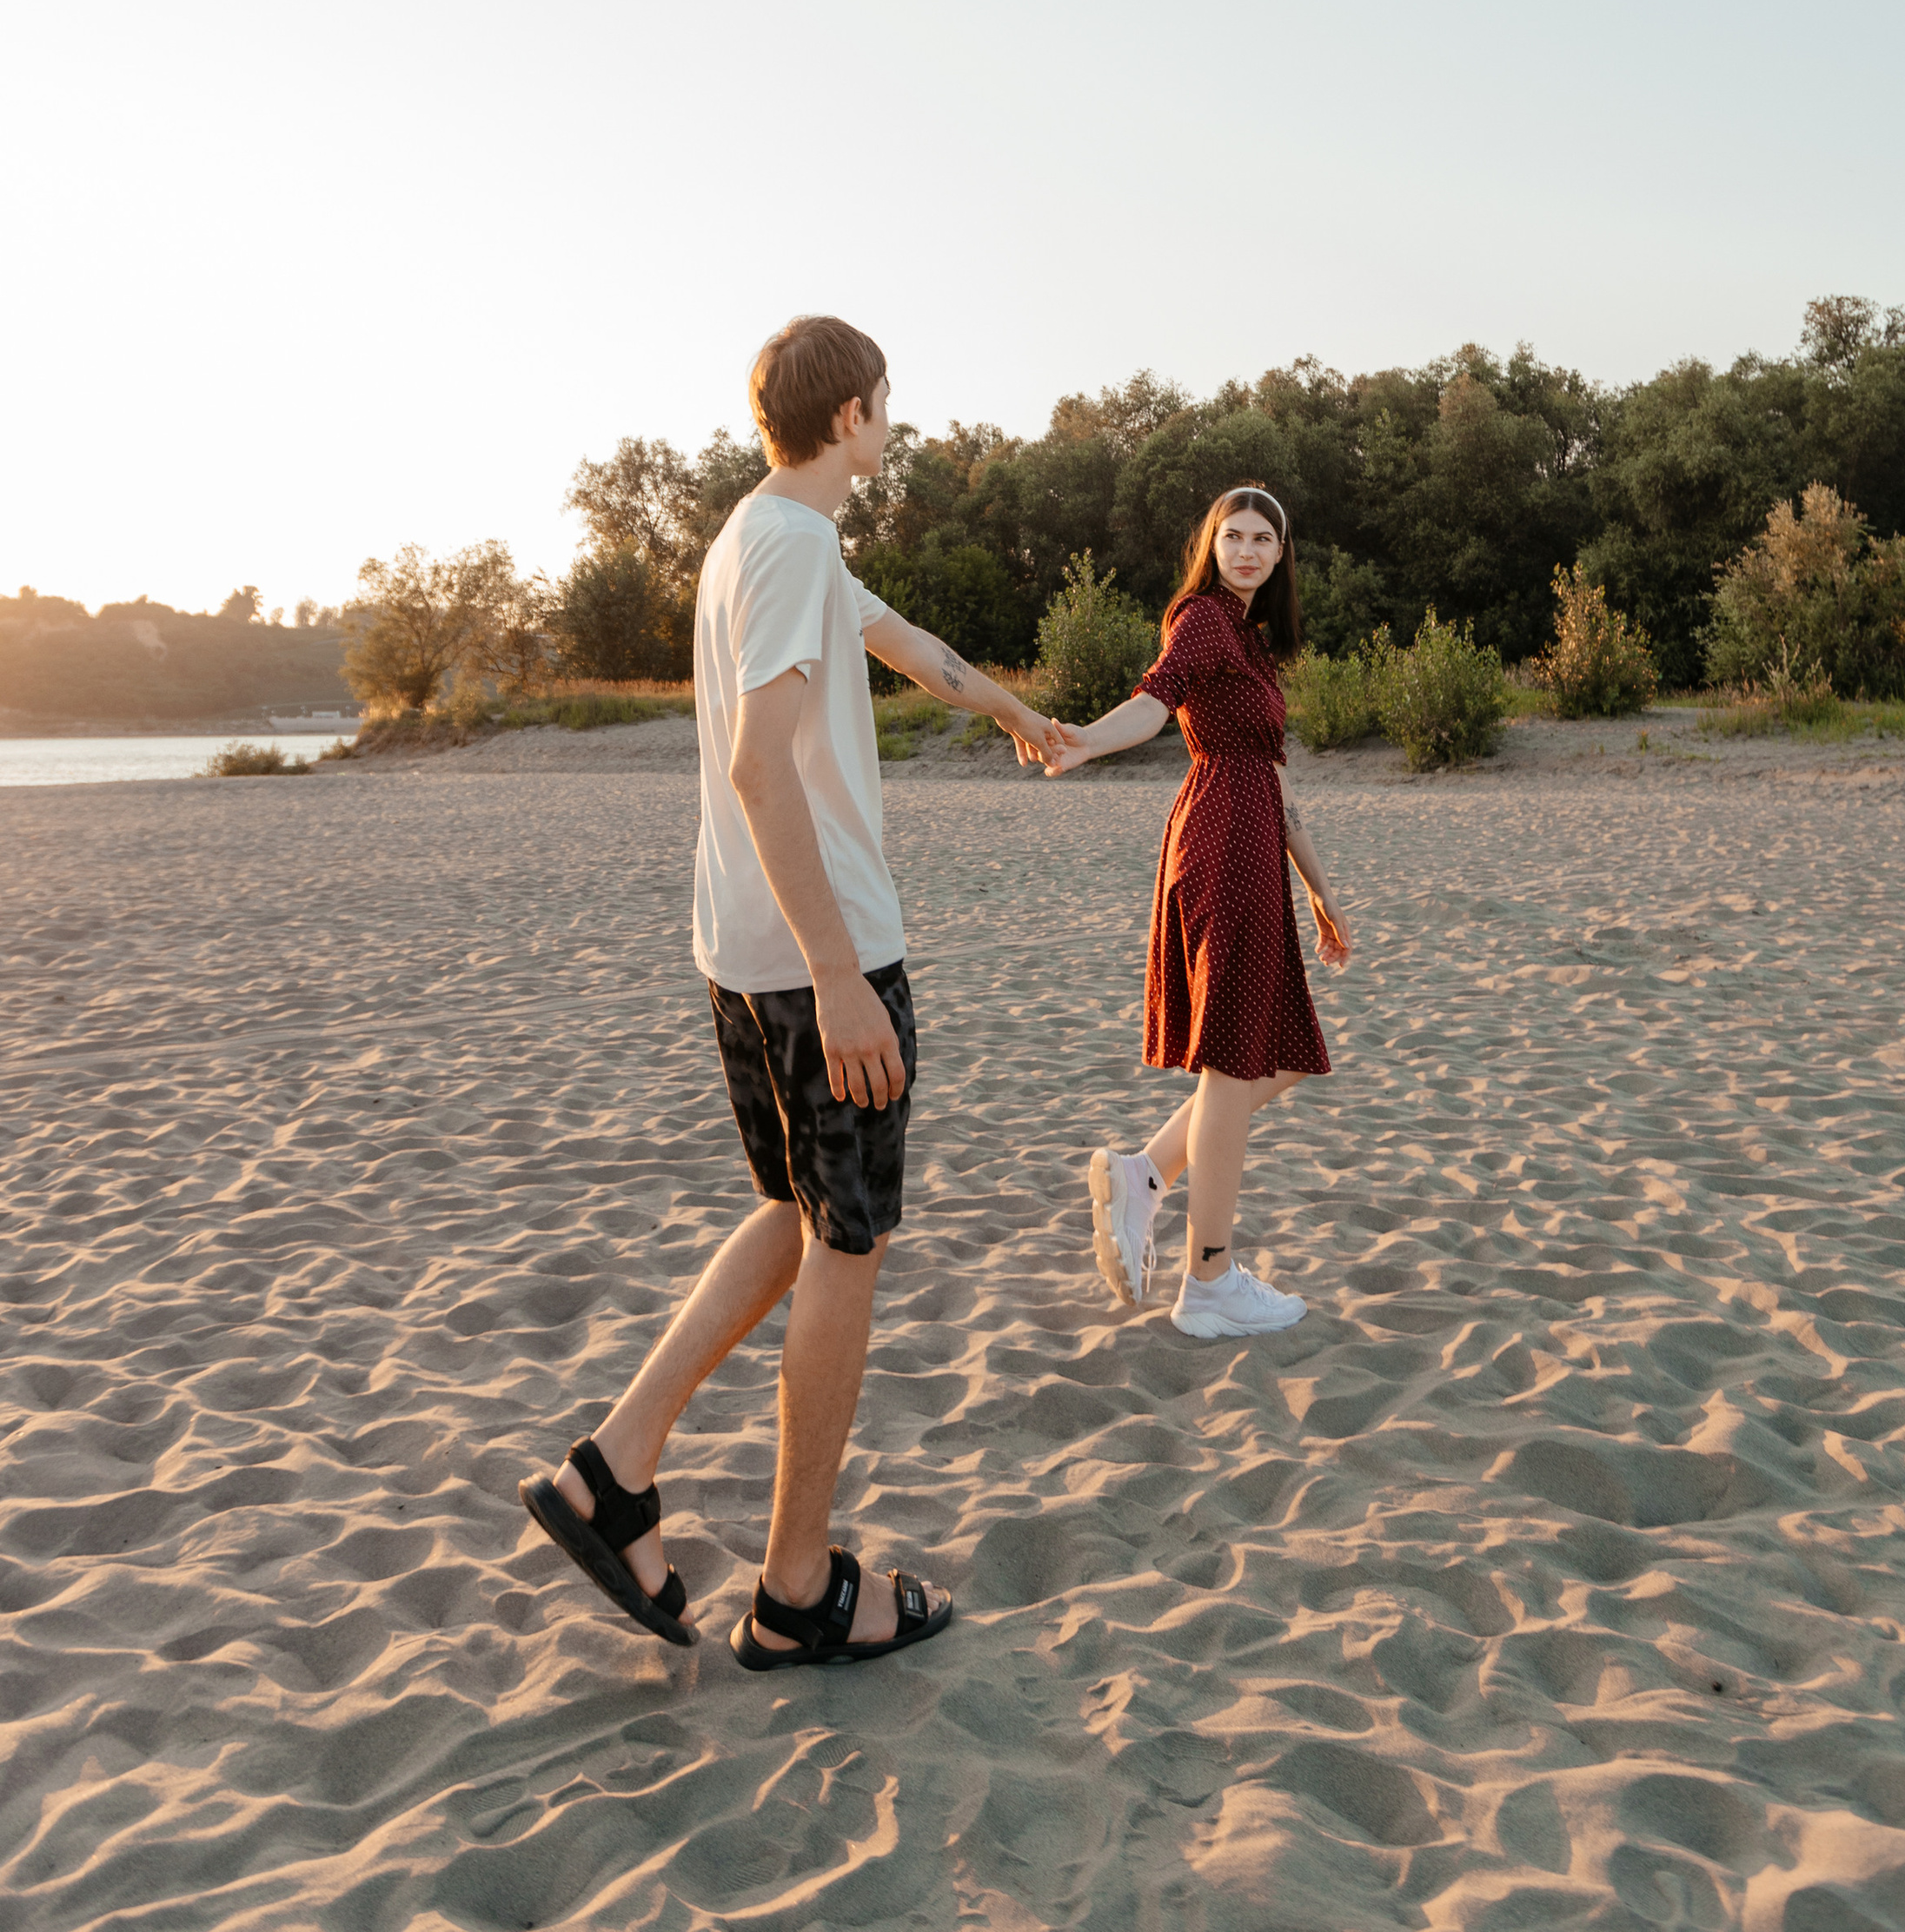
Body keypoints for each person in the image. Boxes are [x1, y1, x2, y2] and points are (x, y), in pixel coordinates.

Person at [519, 313, 1071, 1668]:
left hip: (745, 949)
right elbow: (766, 766)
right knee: (848, 1243)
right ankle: (798, 1588)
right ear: (850, 418)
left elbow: (908, 646)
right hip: (814, 956)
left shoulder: (772, 540)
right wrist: (840, 979)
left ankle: (614, 1469)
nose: (894, 420)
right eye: (886, 402)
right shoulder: (781, 545)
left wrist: (1019, 717)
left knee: (795, 1210)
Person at [1049, 485, 1351, 1338]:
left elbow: (1280, 785)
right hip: (1219, 836)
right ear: (1212, 546)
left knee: (1279, 1056)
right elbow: (1156, 699)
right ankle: (1210, 1280)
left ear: (1281, 553)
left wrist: (1322, 893)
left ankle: (1144, 1174)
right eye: (1235, 536)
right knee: (1232, 1061)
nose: (1248, 550)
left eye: (1264, 538)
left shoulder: (1252, 644)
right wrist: (1082, 738)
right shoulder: (1205, 618)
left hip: (1254, 837)